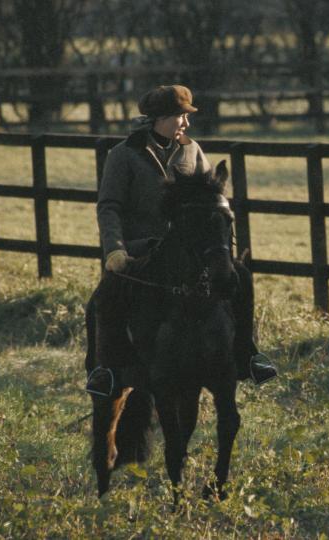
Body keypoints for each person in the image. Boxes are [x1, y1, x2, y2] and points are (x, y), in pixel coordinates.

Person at [86, 84, 277, 394]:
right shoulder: (123, 156)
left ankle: (248, 354)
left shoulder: (192, 150)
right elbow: (109, 207)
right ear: (159, 119)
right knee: (104, 296)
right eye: (180, 117)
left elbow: (211, 199)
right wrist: (115, 250)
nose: (186, 124)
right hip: (141, 248)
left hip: (188, 251)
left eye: (187, 118)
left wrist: (219, 248)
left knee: (240, 277)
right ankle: (104, 369)